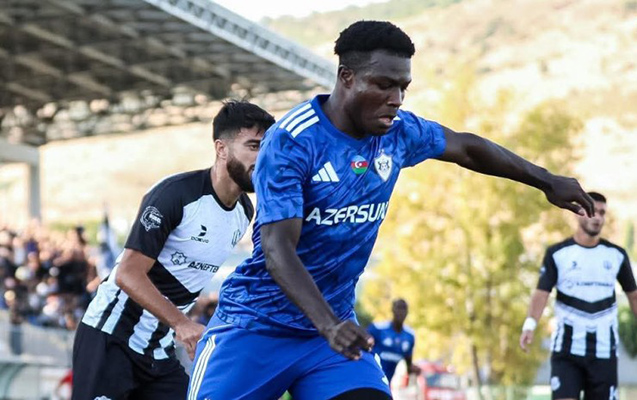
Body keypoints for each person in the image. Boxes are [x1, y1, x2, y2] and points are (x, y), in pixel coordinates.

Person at [188, 20, 594, 400]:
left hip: (330, 338)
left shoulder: (399, 134)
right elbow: (278, 250)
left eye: (403, 87)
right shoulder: (292, 142)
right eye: (383, 85)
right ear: (347, 77)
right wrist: (329, 325)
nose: (396, 99)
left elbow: (468, 148)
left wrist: (546, 180)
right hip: (257, 326)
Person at [71, 100, 274, 400]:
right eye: (254, 146)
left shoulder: (244, 212)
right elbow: (128, 274)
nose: (264, 156)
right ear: (221, 149)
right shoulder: (176, 194)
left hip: (158, 350)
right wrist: (182, 323)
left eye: (267, 146)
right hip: (110, 337)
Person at [520, 192, 637, 400]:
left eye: (602, 212)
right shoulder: (557, 253)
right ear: (577, 213)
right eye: (592, 211)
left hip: (604, 352)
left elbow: (633, 296)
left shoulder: (616, 255)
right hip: (567, 351)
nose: (597, 217)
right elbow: (541, 293)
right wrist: (530, 324)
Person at [368, 299, 420, 385]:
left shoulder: (409, 336)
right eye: (399, 308)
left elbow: (409, 366)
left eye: (404, 308)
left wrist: (415, 369)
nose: (401, 312)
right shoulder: (378, 329)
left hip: (386, 384)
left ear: (407, 312)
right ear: (392, 310)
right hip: (370, 379)